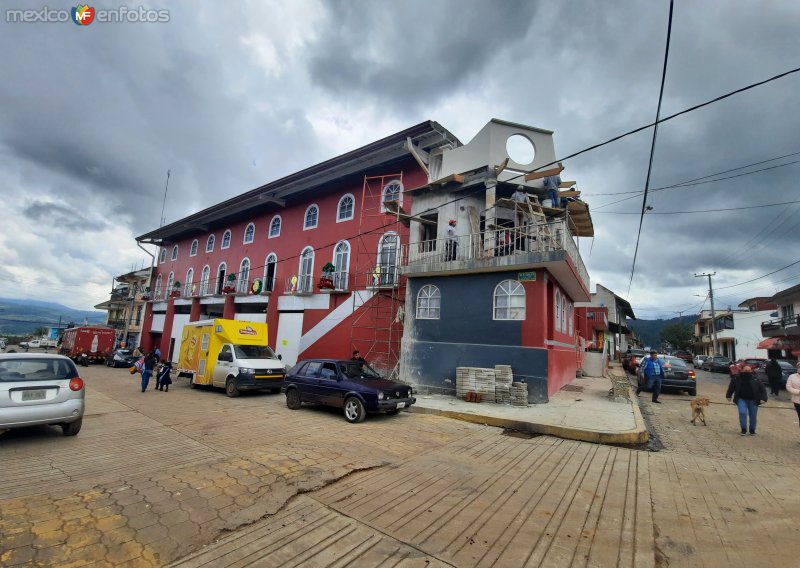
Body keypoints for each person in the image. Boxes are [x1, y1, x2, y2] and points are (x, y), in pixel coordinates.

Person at [726, 365, 768, 435]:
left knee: (753, 415)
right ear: (742, 370)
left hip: (754, 400)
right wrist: (728, 395)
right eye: (745, 370)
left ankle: (752, 430)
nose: (747, 372)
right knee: (742, 413)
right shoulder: (736, 378)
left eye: (749, 371)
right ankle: (743, 429)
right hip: (741, 399)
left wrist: (764, 398)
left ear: (751, 371)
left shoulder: (756, 379)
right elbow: (731, 387)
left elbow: (762, 389)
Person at [785, 361, 800, 430]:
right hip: (797, 401)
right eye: (799, 367)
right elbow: (789, 387)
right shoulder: (792, 377)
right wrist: (798, 392)